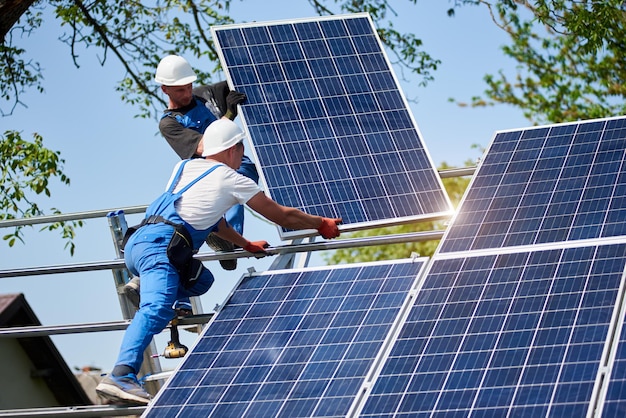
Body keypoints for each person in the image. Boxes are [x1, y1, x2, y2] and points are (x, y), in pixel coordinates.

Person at [96, 119, 342, 406]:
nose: (242, 156)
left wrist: (246, 244)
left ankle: (146, 284)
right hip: (161, 250)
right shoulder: (232, 179)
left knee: (202, 280)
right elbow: (282, 215)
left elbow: (215, 221)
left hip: (138, 243)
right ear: (231, 150)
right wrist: (320, 223)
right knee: (158, 308)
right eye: (241, 149)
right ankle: (122, 374)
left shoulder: (184, 166)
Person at [155, 54, 258, 270]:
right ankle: (223, 242)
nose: (187, 93)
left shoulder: (205, 96)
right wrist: (228, 115)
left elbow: (241, 79)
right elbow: (206, 146)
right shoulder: (170, 124)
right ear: (166, 89)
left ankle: (229, 241)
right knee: (196, 217)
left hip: (237, 164)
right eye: (180, 90)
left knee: (242, 174)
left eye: (189, 86)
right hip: (204, 174)